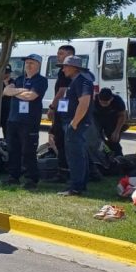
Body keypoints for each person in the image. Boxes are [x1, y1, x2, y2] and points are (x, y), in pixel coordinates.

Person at [2, 54, 48, 189]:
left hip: (29, 122)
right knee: (12, 149)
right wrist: (21, 90)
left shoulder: (41, 80)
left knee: (28, 151)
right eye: (27, 62)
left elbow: (30, 96)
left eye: (31, 63)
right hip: (13, 120)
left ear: (38, 65)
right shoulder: (19, 79)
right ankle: (13, 176)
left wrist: (15, 92)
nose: (28, 65)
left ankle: (31, 178)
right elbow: (6, 91)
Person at [58, 54, 94, 196]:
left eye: (65, 66)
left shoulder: (82, 81)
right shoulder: (77, 80)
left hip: (76, 124)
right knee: (78, 154)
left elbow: (84, 103)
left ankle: (76, 187)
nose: (63, 70)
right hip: (74, 123)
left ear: (74, 67)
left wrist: (74, 123)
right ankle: (80, 184)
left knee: (75, 156)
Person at [47, 44, 76, 181]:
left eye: (61, 54)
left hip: (65, 112)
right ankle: (64, 170)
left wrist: (52, 107)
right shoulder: (63, 71)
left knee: (62, 141)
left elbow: (62, 90)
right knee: (59, 139)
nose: (58, 56)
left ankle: (64, 173)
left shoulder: (67, 71)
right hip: (63, 110)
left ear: (70, 55)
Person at [93, 88, 129, 156]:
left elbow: (122, 116)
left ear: (111, 99)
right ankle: (104, 155)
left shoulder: (118, 101)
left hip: (111, 119)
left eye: (106, 103)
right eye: (101, 102)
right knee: (98, 140)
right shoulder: (94, 99)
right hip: (97, 119)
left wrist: (117, 131)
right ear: (98, 98)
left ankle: (118, 157)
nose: (103, 105)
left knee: (114, 140)